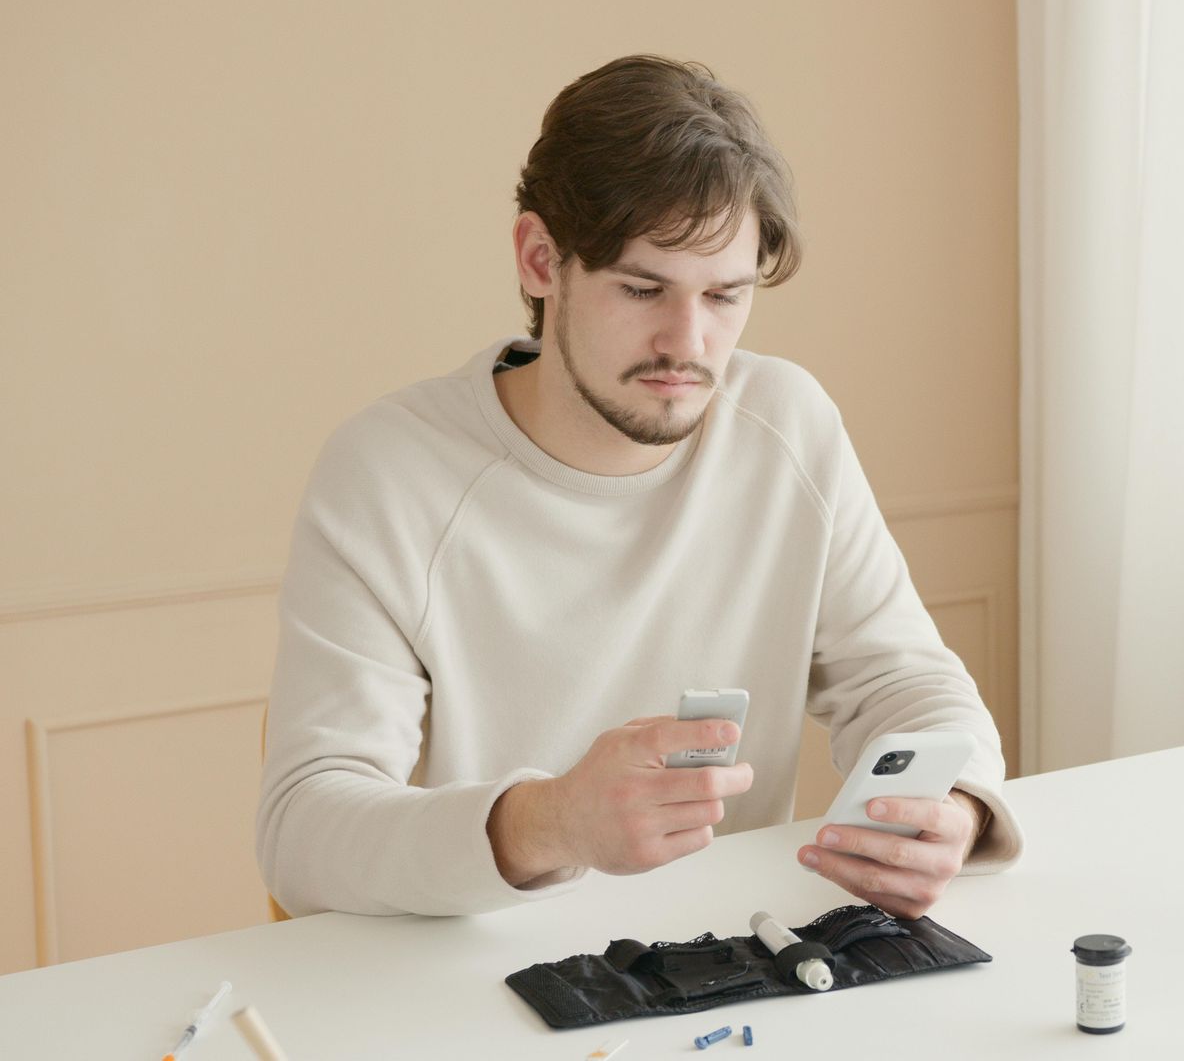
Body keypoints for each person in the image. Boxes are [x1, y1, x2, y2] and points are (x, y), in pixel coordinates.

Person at [255, 54, 1022, 920]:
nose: (686, 343)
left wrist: (949, 803)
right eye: (642, 288)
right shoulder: (390, 473)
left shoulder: (787, 424)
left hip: (731, 963)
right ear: (542, 260)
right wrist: (549, 823)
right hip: (466, 981)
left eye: (726, 296)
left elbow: (904, 681)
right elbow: (303, 833)